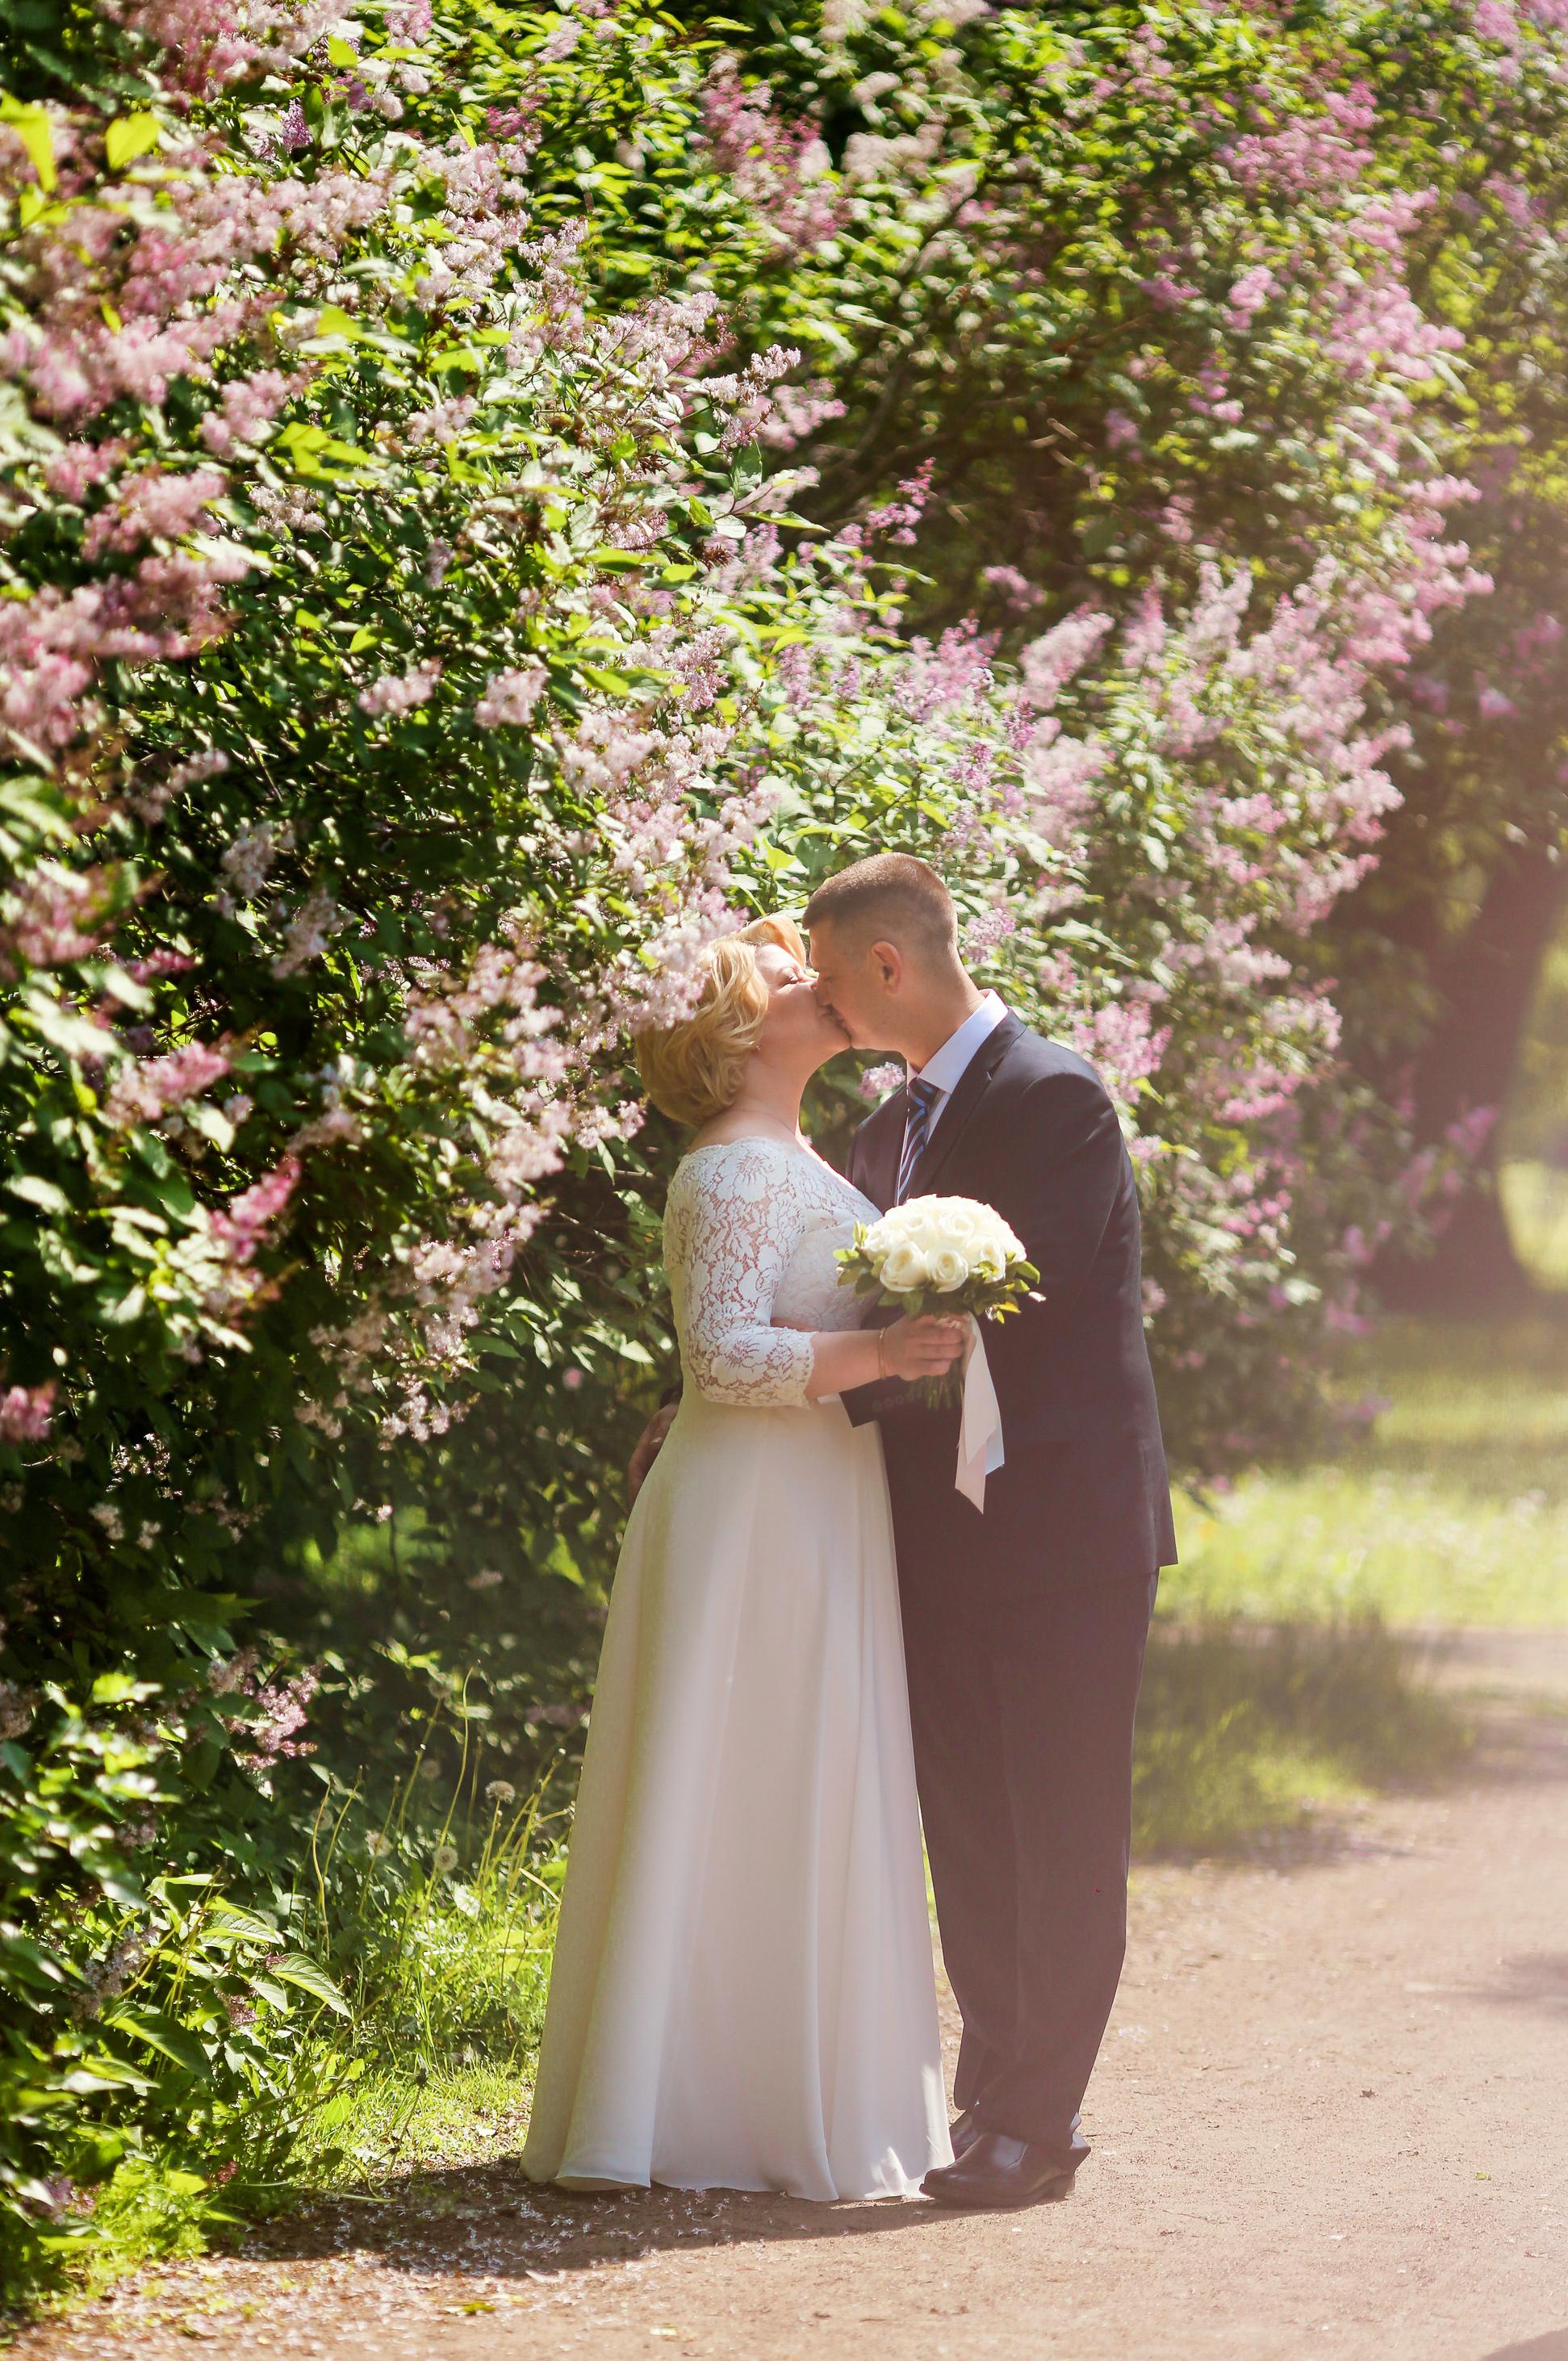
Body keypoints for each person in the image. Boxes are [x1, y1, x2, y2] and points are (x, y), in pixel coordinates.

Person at [632, 854, 1176, 2211]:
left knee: (1059, 1819)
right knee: (970, 1827)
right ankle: (991, 2093)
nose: (816, 995)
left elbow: (1007, 1323)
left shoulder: (1054, 1097)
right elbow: (832, 1313)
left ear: (884, 968)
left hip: (1059, 1530)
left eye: (824, 972)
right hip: (925, 1533)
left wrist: (793, 1369)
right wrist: (705, 1391)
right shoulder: (879, 1142)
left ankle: (1037, 2124)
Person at [522, 914, 962, 2200]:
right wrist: (888, 1355)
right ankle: (688, 2105)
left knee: (802, 1768)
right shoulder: (725, 1171)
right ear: (729, 1025)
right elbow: (716, 1357)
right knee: (735, 1770)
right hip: (750, 1510)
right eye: (783, 972)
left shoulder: (805, 1158)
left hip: (820, 1493)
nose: (814, 978)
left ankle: (794, 2086)